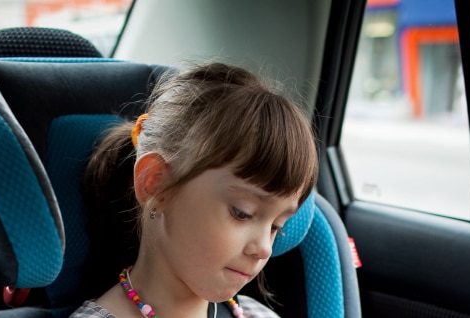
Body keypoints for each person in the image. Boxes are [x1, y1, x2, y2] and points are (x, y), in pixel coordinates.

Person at [70, 62, 319, 318]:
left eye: (276, 227)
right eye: (242, 213)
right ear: (156, 183)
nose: (264, 249)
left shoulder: (257, 314)